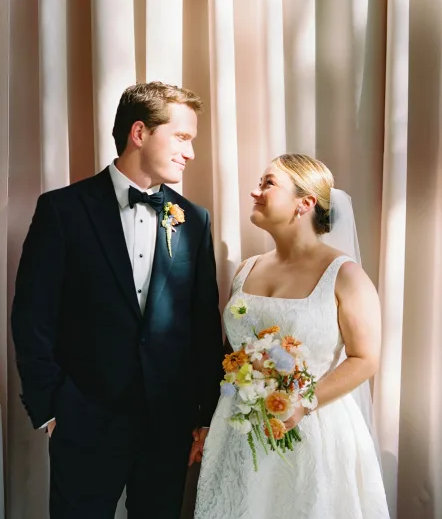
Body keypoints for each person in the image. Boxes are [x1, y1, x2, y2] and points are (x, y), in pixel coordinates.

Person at [11, 81, 223, 519]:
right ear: (140, 133)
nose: (191, 153)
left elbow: (203, 324)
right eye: (182, 137)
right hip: (83, 422)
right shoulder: (62, 211)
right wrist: (51, 408)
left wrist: (205, 414)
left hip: (168, 426)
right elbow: (33, 317)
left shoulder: (195, 221)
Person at [194, 154, 389, 519]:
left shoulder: (344, 274)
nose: (255, 191)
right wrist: (207, 421)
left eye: (268, 183)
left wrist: (304, 403)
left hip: (313, 430)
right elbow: (230, 351)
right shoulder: (246, 269)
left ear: (306, 203)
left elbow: (365, 358)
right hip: (237, 430)